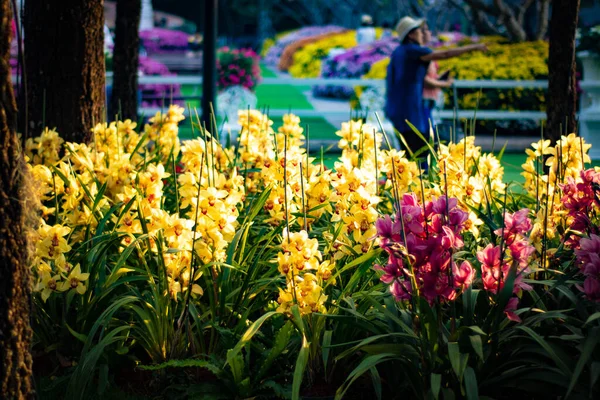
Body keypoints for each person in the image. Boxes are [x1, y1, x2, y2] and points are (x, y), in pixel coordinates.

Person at [384, 16, 486, 160]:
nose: (423, 33)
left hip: (399, 109)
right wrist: (474, 47)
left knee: (410, 153)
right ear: (411, 34)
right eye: (420, 30)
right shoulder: (412, 50)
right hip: (410, 110)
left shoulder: (399, 51)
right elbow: (445, 54)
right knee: (420, 152)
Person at [421, 24, 453, 131]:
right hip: (423, 99)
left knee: (430, 129)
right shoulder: (421, 54)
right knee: (428, 131)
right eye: (426, 30)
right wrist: (444, 84)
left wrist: (441, 77)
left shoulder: (427, 52)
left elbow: (430, 76)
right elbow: (424, 80)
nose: (429, 32)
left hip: (430, 99)